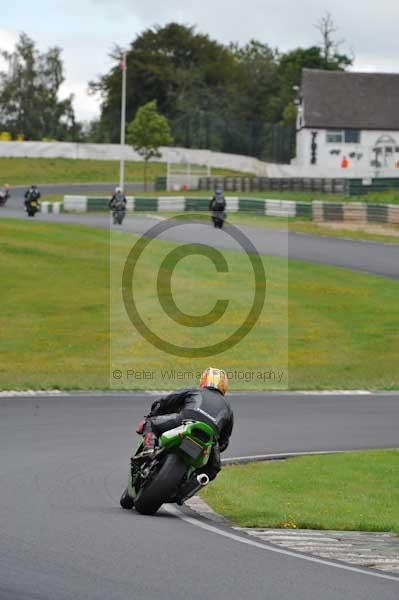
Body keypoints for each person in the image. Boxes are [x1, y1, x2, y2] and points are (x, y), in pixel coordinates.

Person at [138, 367, 233, 489]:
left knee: (150, 423)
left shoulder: (195, 390)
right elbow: (224, 442)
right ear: (224, 386)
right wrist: (213, 448)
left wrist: (154, 413)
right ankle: (188, 487)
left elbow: (166, 401)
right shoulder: (228, 409)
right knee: (213, 469)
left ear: (203, 380)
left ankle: (149, 450)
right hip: (208, 437)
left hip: (184, 421)